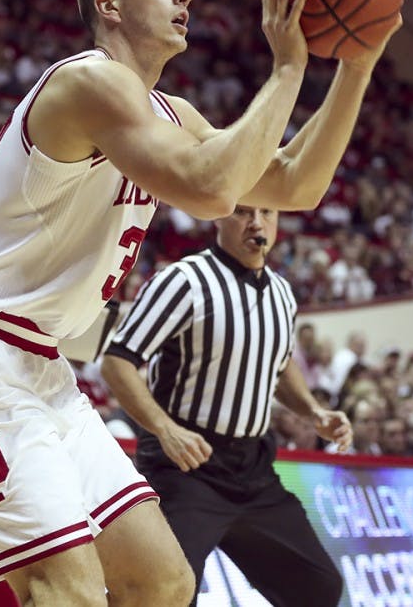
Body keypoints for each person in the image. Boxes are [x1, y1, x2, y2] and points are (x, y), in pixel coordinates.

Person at [0, 0, 399, 606]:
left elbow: (292, 185)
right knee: (63, 588)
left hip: (42, 370)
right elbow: (209, 189)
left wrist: (355, 68)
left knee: (161, 582)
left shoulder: (171, 113)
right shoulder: (87, 80)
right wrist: (286, 70)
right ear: (109, 6)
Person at [101, 205, 352, 606]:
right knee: (165, 594)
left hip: (253, 472)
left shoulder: (282, 293)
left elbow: (279, 363)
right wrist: (165, 430)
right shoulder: (184, 280)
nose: (256, 222)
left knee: (319, 587)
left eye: (265, 212)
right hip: (186, 467)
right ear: (216, 217)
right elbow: (117, 361)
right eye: (241, 212)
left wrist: (313, 411)